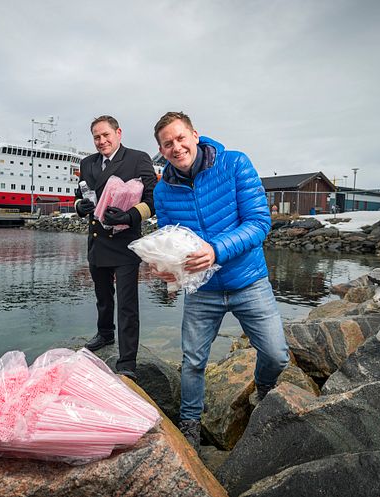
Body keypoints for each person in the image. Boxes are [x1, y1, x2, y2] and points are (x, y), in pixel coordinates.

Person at [151, 111, 289, 451]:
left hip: (249, 281)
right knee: (193, 361)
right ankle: (190, 424)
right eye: (167, 144)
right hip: (203, 290)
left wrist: (216, 250)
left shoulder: (235, 164)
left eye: (181, 138)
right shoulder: (163, 191)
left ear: (195, 135)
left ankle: (264, 389)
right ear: (161, 150)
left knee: (276, 354)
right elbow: (169, 238)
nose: (176, 147)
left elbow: (259, 223)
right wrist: (167, 267)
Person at [75, 115, 157, 380]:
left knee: (127, 304)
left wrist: (129, 216)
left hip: (124, 241)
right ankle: (105, 333)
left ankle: (127, 361)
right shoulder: (86, 163)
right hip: (97, 239)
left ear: (118, 133)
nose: (101, 141)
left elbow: (153, 198)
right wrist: (80, 207)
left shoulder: (137, 158)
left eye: (106, 135)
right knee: (102, 294)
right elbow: (80, 195)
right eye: (96, 137)